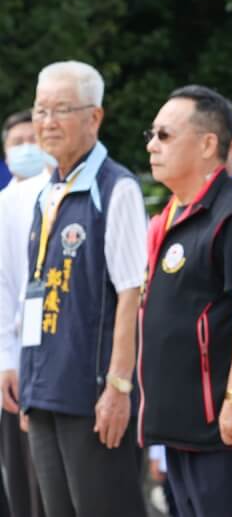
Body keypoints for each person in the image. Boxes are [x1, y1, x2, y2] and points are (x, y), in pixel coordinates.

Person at [9, 60, 148, 517]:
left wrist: (119, 386)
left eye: (61, 109)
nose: (46, 122)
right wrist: (27, 378)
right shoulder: (47, 192)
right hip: (44, 388)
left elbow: (131, 293)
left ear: (94, 117)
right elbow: (36, 291)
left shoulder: (116, 188)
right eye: (40, 110)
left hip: (92, 393)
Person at [139, 85, 232, 517]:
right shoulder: (175, 214)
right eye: (152, 134)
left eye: (164, 135)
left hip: (220, 424)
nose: (151, 145)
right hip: (178, 423)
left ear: (207, 144)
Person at [0, 111, 49, 517]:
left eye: (31, 139)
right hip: (13, 364)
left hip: (52, 360)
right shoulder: (5, 202)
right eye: (16, 142)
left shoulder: (57, 192)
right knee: (20, 486)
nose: (25, 148)